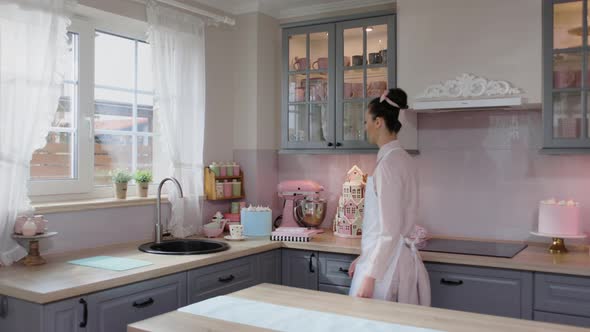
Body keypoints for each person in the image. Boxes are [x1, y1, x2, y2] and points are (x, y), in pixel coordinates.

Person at [348, 88, 430, 306]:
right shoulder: (404, 159)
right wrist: (364, 257)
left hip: (386, 269)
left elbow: (389, 231)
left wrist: (370, 275)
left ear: (378, 122)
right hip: (391, 259)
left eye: (366, 121)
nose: (364, 127)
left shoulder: (388, 166)